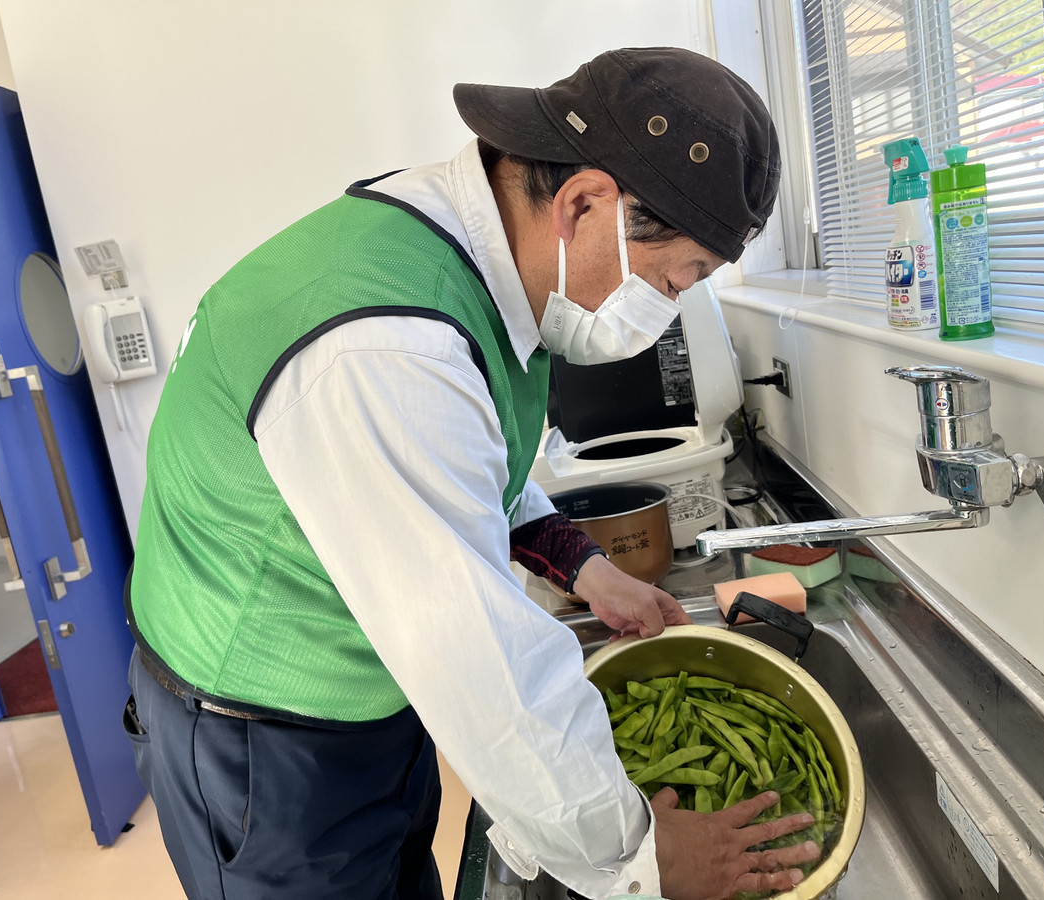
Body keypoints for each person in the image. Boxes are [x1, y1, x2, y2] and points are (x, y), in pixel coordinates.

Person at [123, 46, 818, 900]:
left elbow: (469, 462)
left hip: (366, 690)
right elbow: (480, 668)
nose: (665, 310)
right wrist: (644, 859)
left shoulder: (470, 255)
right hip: (261, 741)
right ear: (586, 202)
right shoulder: (385, 347)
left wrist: (586, 567)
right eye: (676, 281)